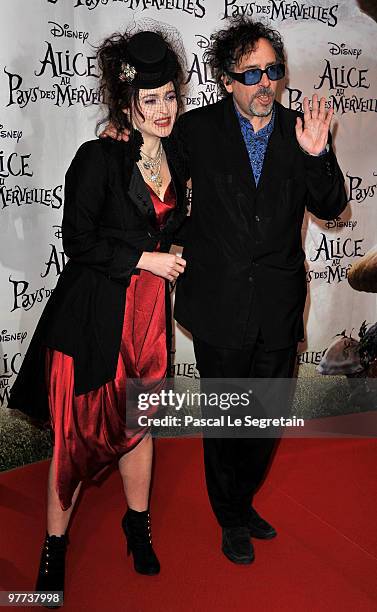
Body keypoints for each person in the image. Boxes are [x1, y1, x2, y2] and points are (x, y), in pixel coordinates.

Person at [103, 17, 347, 566]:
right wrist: (122, 139)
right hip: (218, 302)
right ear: (227, 79)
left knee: (267, 416)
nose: (266, 83)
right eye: (252, 72)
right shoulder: (196, 131)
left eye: (274, 71)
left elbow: (331, 205)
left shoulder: (298, 129)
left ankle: (241, 500)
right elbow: (155, 174)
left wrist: (316, 154)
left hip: (279, 304)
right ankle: (231, 516)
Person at [8, 29, 188, 603]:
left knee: (141, 428)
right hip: (93, 323)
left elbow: (173, 226)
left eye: (170, 96)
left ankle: (138, 527)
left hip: (147, 324)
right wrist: (146, 258)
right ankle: (53, 549)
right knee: (74, 441)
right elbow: (80, 242)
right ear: (127, 103)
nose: (164, 110)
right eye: (151, 100)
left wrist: (173, 254)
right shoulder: (98, 157)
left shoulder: (179, 157)